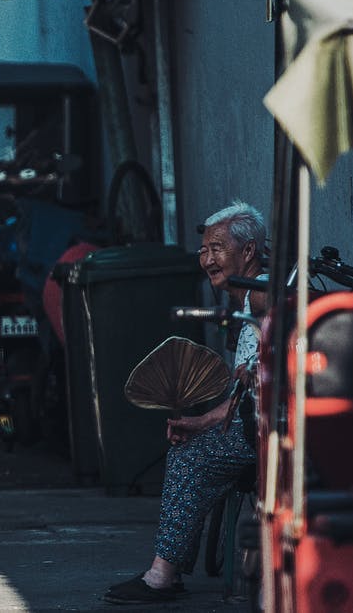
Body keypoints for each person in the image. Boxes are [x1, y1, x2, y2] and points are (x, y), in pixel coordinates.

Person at [104, 201, 268, 604]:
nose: (207, 258)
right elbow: (242, 399)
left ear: (247, 252)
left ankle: (162, 576)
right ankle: (172, 566)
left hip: (267, 431)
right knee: (192, 442)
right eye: (204, 250)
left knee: (187, 459)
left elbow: (259, 391)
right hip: (253, 422)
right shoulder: (248, 299)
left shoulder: (263, 296)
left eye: (217, 248)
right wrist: (202, 422)